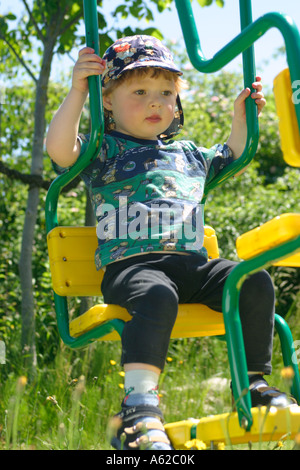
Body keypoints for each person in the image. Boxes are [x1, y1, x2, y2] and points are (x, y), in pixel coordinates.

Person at [46, 35, 296, 451]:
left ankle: (252, 383)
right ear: (107, 100)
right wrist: (76, 92)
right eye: (139, 92)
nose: (155, 103)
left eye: (166, 93)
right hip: (134, 266)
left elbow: (234, 152)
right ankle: (139, 403)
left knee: (251, 280)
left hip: (193, 266)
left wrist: (242, 116)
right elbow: (59, 150)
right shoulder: (103, 150)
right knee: (158, 294)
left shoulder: (188, 155)